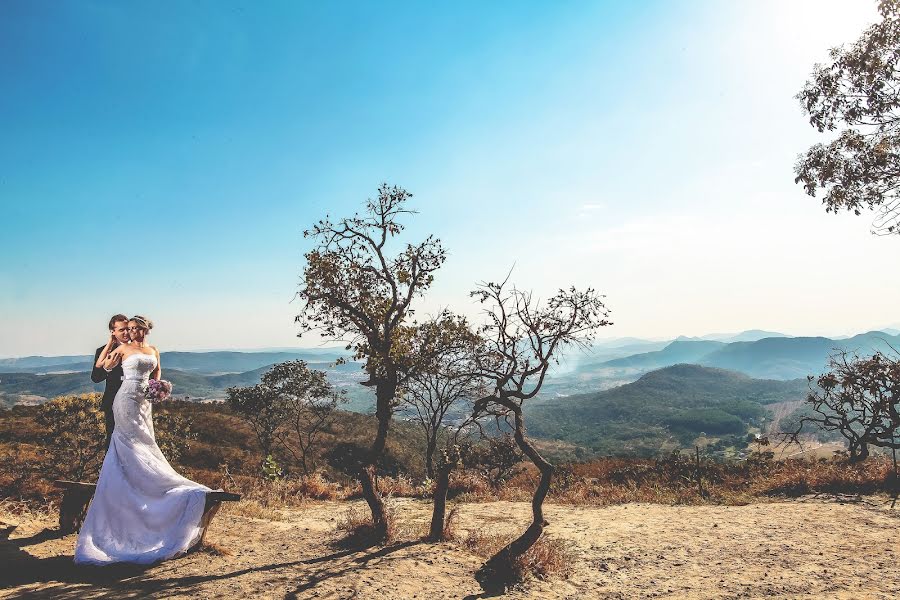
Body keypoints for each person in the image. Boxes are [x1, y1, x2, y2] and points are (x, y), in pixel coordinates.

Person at [75, 315, 212, 565]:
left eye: (137, 327)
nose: (133, 331)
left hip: (144, 403)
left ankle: (144, 486)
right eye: (129, 328)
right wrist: (110, 345)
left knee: (144, 441)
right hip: (125, 399)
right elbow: (102, 367)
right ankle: (126, 489)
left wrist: (158, 389)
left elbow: (157, 371)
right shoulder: (120, 347)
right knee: (126, 442)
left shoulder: (152, 349)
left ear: (147, 329)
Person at [91, 314, 130, 449]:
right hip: (113, 401)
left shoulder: (138, 348)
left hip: (135, 402)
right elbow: (95, 378)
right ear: (113, 332)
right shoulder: (102, 351)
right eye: (121, 330)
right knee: (113, 439)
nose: (126, 332)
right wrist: (107, 369)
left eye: (127, 329)